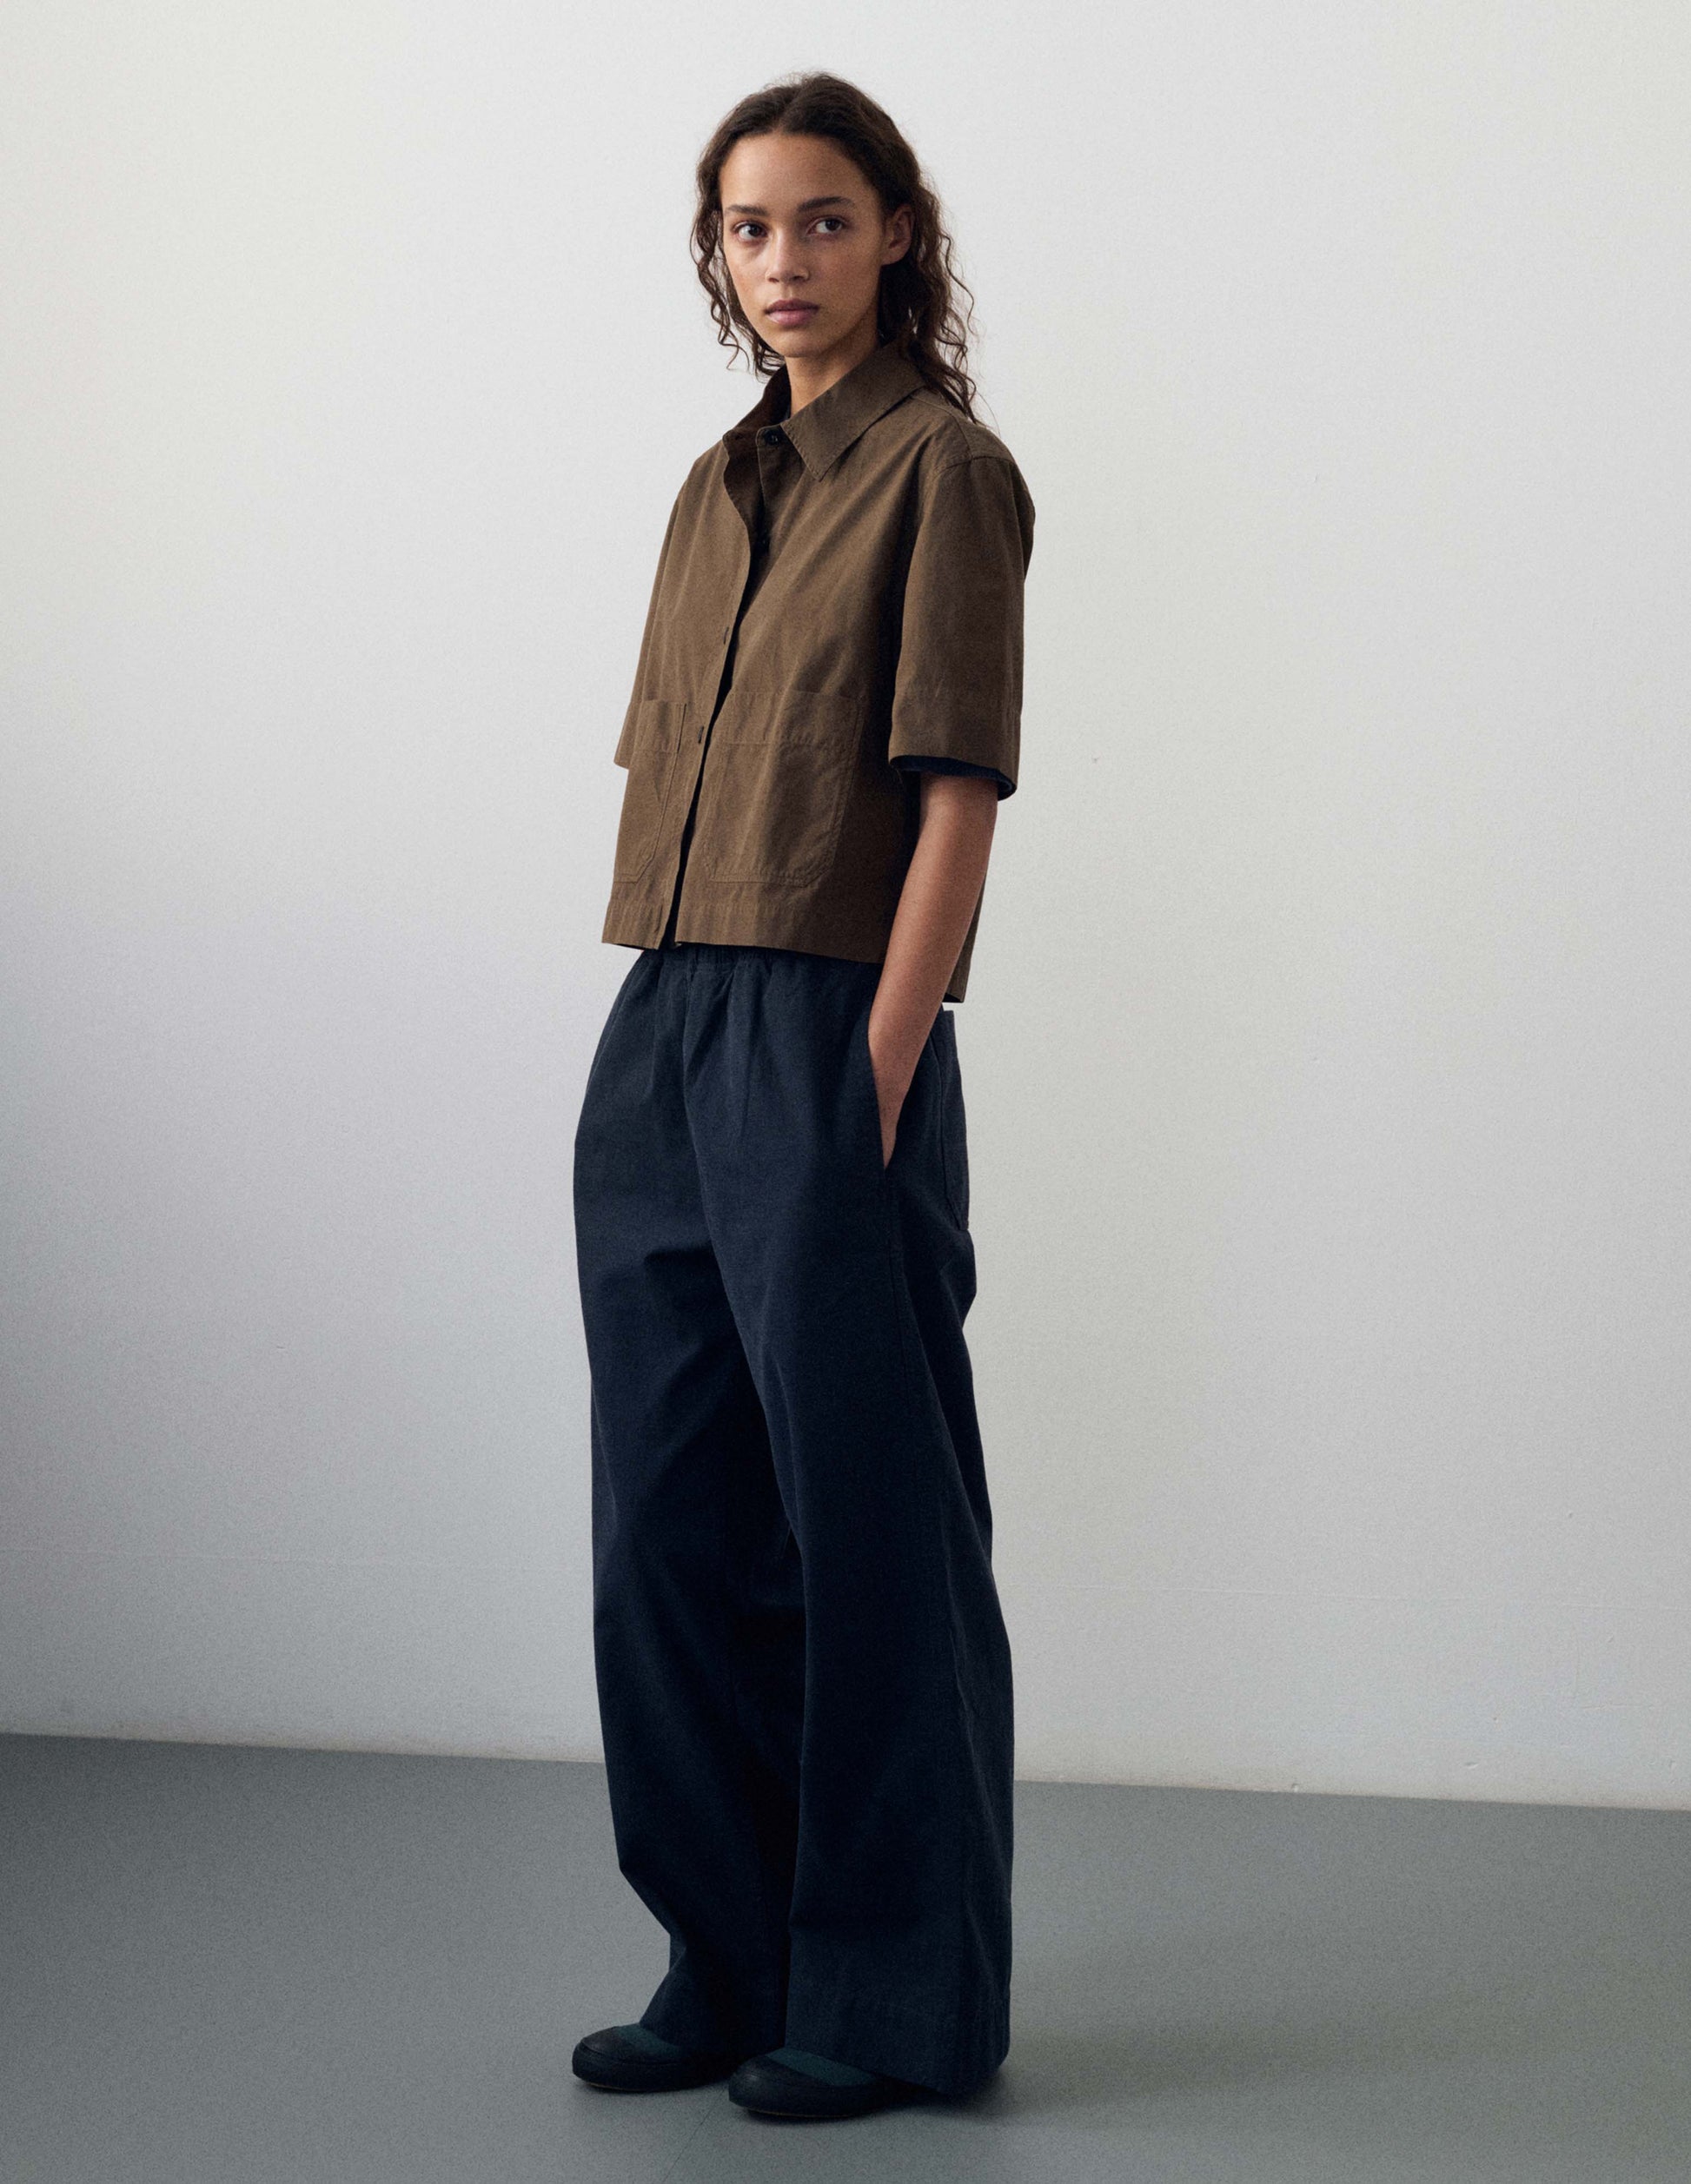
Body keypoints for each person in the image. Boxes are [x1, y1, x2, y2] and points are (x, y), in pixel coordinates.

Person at [570, 69, 1034, 2122]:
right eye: (751, 229)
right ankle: (724, 1952)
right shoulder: (708, 487)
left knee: (865, 1535)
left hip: (832, 1022)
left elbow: (954, 796)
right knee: (664, 1524)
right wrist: (676, 1053)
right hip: (667, 1022)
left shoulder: (945, 471)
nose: (785, 264)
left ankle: (891, 1997)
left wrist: (876, 1062)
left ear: (896, 237)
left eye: (824, 222)